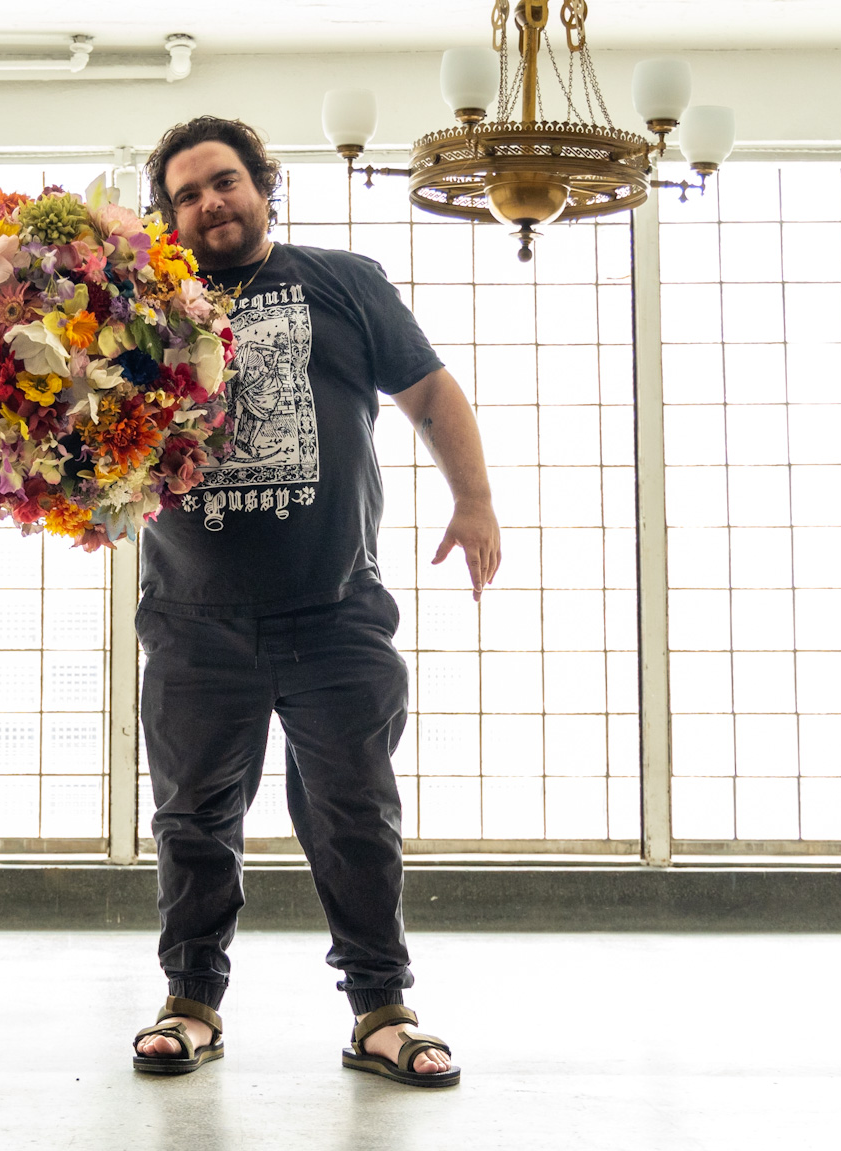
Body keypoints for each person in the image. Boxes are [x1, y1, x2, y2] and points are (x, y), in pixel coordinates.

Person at [127, 116, 500, 1088]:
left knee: (354, 814)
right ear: (167, 217)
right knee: (191, 820)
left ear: (262, 185)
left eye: (224, 182)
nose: (210, 202)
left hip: (333, 612)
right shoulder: (134, 308)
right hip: (190, 619)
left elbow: (427, 391)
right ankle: (190, 1000)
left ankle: (379, 1009)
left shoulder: (339, 279)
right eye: (187, 194)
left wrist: (474, 497)